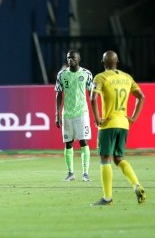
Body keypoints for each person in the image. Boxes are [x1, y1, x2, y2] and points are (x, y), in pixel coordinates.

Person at [90, 50, 146, 206]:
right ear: (117, 62)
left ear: (103, 63)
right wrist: (134, 117)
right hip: (124, 124)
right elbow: (142, 96)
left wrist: (98, 119)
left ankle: (107, 198)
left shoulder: (100, 77)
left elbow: (93, 98)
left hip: (108, 124)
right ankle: (137, 185)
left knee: (104, 159)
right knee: (118, 159)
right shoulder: (127, 77)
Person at [55, 50, 93, 182]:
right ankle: (70, 173)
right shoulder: (62, 74)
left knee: (83, 141)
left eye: (73, 57)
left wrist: (95, 112)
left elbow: (91, 94)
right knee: (68, 143)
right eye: (68, 58)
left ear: (79, 59)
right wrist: (57, 113)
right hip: (67, 114)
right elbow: (59, 94)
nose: (70, 60)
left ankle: (85, 173)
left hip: (82, 113)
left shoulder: (86, 74)